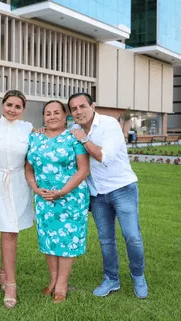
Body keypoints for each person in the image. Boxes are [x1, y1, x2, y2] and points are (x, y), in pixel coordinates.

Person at [68, 93, 148, 299]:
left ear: (92, 106)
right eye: (74, 109)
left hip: (122, 188)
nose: (78, 111)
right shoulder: (74, 130)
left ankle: (138, 276)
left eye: (82, 106)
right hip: (97, 193)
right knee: (106, 240)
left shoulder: (108, 124)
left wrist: (83, 139)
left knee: (132, 236)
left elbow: (104, 156)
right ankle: (111, 279)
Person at [25, 100, 90, 303]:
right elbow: (28, 168)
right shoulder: (34, 138)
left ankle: (62, 284)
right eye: (47, 113)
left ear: (65, 116)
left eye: (56, 112)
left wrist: (62, 192)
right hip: (45, 199)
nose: (52, 116)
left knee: (68, 241)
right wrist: (35, 188)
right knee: (49, 240)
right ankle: (53, 281)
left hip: (70, 198)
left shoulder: (74, 138)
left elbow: (83, 169)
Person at [0, 90, 33, 308]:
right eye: (9, 105)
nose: (12, 110)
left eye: (17, 106)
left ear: (23, 109)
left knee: (12, 229)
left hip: (19, 183)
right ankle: (11, 283)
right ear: (2, 105)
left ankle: (4, 271)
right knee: (9, 230)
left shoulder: (29, 129)